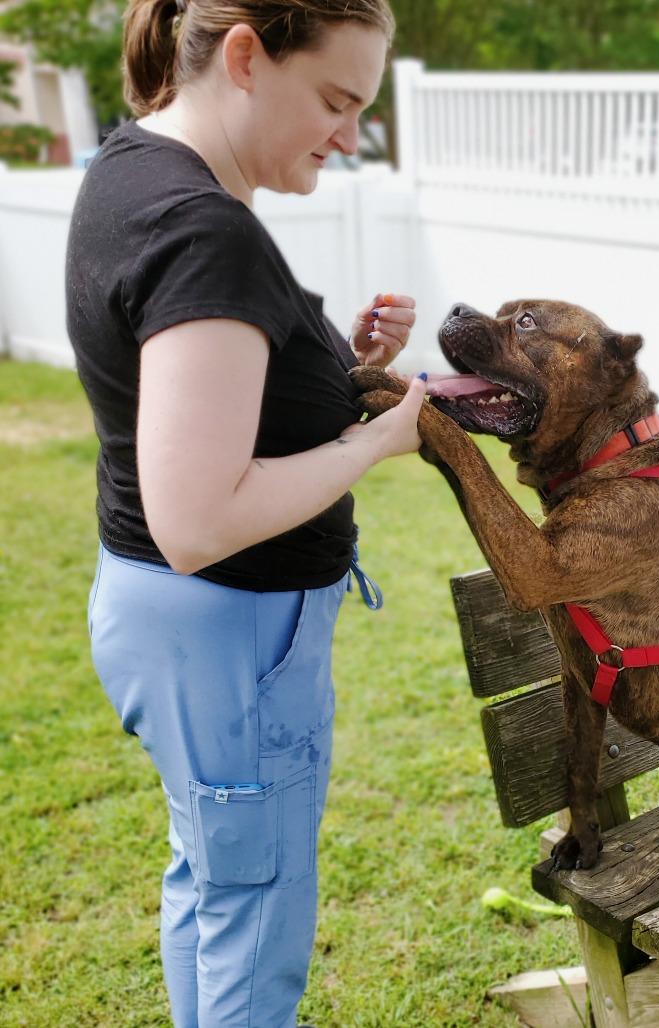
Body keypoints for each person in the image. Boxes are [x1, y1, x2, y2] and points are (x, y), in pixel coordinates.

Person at [65, 1, 421, 1024]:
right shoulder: (205, 228)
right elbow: (198, 519)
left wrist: (338, 367)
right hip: (230, 632)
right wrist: (376, 439)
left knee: (215, 882)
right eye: (337, 100)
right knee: (254, 917)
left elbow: (207, 403)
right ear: (246, 57)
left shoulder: (133, 166)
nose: (349, 137)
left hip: (170, 623)